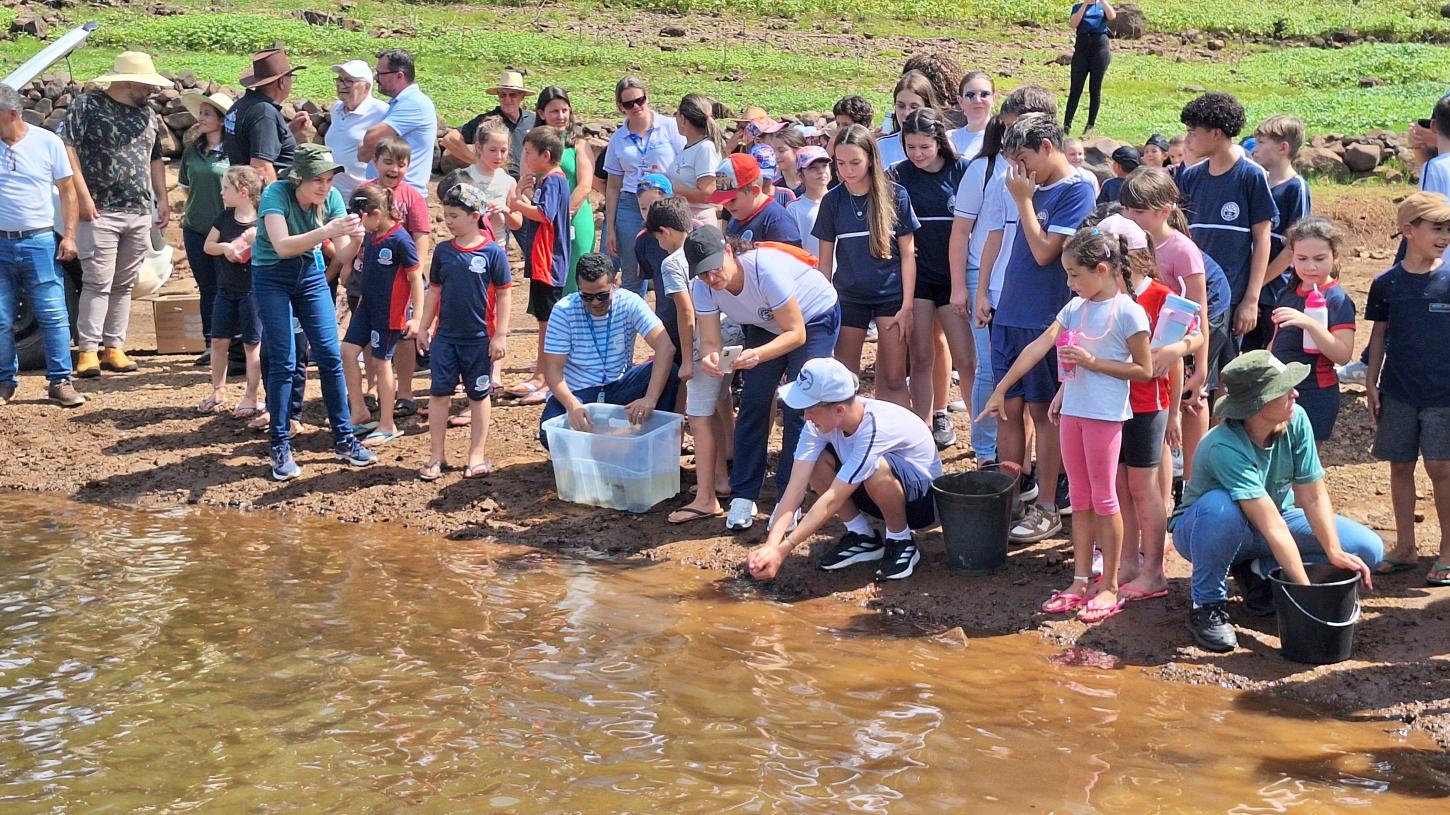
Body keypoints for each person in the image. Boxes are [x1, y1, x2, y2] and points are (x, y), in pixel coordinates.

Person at [981, 226, 1152, 621]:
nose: (1070, 283)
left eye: (1075, 274)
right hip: (1073, 412)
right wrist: (1001, 388)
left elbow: (1143, 370)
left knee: (1104, 497)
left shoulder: (1128, 311)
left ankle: (1108, 584)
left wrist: (1093, 364)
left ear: (1103, 270)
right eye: (1068, 274)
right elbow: (1039, 346)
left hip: (1105, 416)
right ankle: (1079, 579)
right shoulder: (1074, 308)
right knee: (1079, 498)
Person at [1170, 350, 1381, 652]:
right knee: (1222, 508)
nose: (1295, 392)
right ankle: (1206, 605)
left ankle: (1259, 570)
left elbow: (1312, 494)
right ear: (1257, 404)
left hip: (1276, 520)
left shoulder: (1297, 419)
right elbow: (1270, 525)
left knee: (1367, 549)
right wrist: (1306, 595)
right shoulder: (1222, 445)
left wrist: (1334, 551)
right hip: (1213, 528)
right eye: (1284, 389)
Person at [685, 227, 841, 532]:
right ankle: (743, 493)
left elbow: (797, 333)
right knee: (754, 400)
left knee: (799, 404)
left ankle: (789, 498)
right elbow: (710, 340)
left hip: (814, 317)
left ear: (728, 252)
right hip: (764, 322)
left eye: (715, 270)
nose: (711, 279)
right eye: (703, 274)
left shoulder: (764, 269)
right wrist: (710, 358)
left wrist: (757, 356)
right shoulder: (702, 288)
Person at [991, 112, 1097, 542]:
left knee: (1045, 412)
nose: (1018, 169)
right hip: (1011, 312)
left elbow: (1043, 254)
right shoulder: (1029, 186)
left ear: (1047, 148)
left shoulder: (1076, 190)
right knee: (1007, 409)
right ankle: (1010, 500)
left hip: (1048, 318)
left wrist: (1023, 201)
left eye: (1023, 157)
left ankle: (1049, 506)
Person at [746, 357, 942, 582]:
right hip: (875, 493)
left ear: (839, 409)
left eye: (810, 409)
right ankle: (862, 536)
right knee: (816, 461)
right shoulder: (817, 425)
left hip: (923, 504)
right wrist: (771, 545)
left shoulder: (875, 427)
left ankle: (901, 540)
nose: (805, 416)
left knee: (875, 468)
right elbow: (795, 488)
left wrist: (784, 550)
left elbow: (833, 498)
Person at [250, 143, 376, 480]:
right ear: (298, 179)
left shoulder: (331, 199)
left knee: (330, 355)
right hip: (271, 276)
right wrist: (328, 232)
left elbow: (343, 254)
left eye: (329, 180)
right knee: (284, 358)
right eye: (316, 179)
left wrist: (357, 238)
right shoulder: (275, 194)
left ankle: (344, 438)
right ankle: (279, 443)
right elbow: (282, 246)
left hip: (310, 277)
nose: (324, 186)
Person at [1092, 211, 1199, 602]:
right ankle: (1128, 563)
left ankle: (1153, 569)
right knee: (1119, 486)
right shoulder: (1097, 295)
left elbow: (1194, 337)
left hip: (1144, 404)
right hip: (1106, 404)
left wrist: (1176, 351)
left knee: (1142, 487)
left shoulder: (1161, 296)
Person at [1119, 166, 1232, 495]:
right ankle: (1163, 490)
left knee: (1190, 402)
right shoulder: (1131, 243)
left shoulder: (1181, 249)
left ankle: (1194, 484)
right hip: (1149, 344)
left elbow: (1200, 308)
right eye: (1126, 208)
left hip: (1178, 343)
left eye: (1137, 211)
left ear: (1164, 211)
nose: (1129, 215)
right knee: (1160, 420)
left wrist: (1201, 367)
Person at [61, 51, 170, 380]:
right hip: (100, 210)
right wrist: (82, 195)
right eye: (146, 85)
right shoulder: (87, 106)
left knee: (124, 283)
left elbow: (156, 157)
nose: (151, 91)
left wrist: (162, 197)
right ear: (127, 82)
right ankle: (88, 350)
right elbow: (67, 148)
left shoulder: (148, 114)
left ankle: (114, 347)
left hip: (138, 210)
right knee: (97, 281)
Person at [1365, 192, 1450, 582]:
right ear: (1408, 231)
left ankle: (1447, 552)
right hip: (1398, 390)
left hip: (1442, 395)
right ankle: (1405, 547)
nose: (1445, 236)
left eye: (1448, 229)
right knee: (1400, 465)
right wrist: (1371, 383)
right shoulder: (1386, 284)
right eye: (1437, 228)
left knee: (1440, 468)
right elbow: (1379, 337)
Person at [647, 198, 740, 525]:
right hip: (734, 333)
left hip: (707, 340)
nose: (659, 245)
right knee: (719, 400)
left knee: (698, 414)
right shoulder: (711, 238)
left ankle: (711, 493)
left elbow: (686, 312)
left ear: (666, 231)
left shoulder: (673, 262)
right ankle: (726, 468)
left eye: (658, 238)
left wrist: (688, 360)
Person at [816, 124, 919, 408]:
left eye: (855, 162)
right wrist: (824, 305)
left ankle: (898, 443)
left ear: (871, 159)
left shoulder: (895, 196)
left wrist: (907, 305)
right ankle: (850, 442)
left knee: (895, 377)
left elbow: (908, 255)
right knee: (847, 378)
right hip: (849, 297)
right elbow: (825, 262)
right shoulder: (832, 201)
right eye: (841, 163)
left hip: (891, 297)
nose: (848, 170)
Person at [415, 183, 512, 481]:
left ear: (474, 216)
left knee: (479, 395)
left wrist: (501, 335)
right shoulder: (443, 252)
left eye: (455, 215)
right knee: (439, 394)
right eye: (446, 214)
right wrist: (423, 327)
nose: (448, 220)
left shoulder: (494, 253)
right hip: (445, 338)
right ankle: (436, 455)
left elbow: (505, 295)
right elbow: (434, 292)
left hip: (480, 340)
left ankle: (476, 455)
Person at [538, 252, 678, 448]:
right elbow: (552, 371)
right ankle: (607, 446)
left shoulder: (630, 302)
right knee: (548, 433)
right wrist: (572, 405)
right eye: (587, 296)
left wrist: (650, 398)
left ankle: (653, 444)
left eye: (602, 295)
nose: (595, 302)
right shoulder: (564, 310)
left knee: (670, 371)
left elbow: (665, 346)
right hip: (579, 392)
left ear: (615, 283)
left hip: (618, 386)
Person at [0, 83, 84, 408]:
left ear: (13, 114)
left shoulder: (47, 142)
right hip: (1, 242)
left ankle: (61, 381)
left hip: (38, 240)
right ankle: (5, 382)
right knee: (1, 318)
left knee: (53, 314)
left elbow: (68, 191)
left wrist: (71, 235)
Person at [894, 108, 972, 446]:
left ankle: (981, 431)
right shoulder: (899, 175)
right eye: (911, 147)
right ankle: (923, 428)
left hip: (954, 275)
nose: (918, 154)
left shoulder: (962, 170)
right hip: (919, 274)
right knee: (921, 354)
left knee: (965, 358)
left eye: (924, 146)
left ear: (939, 141)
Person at [1177, 92, 1278, 344]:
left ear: (1216, 134)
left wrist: (1250, 300)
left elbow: (1262, 240)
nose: (1187, 140)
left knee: (1224, 373)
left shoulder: (1251, 176)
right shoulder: (1190, 177)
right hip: (1193, 293)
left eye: (1193, 132)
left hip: (1232, 296)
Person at [340, 184, 422, 448]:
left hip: (390, 313)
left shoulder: (400, 240)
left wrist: (417, 317)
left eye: (361, 217)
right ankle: (360, 410)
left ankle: (387, 424)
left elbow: (416, 279)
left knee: (381, 362)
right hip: (367, 308)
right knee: (348, 351)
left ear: (375, 213)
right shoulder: (370, 237)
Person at [950, 116, 1008, 465]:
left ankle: (1013, 446)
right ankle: (986, 450)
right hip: (979, 272)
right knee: (987, 365)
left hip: (1016, 276)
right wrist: (960, 286)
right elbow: (961, 231)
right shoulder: (982, 169)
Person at [1267, 218, 1354, 444]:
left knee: (1305, 466)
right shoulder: (1288, 292)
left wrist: (1310, 322)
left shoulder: (1337, 299)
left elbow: (1343, 354)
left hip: (1316, 391)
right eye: (1302, 259)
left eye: (1319, 259)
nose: (1310, 267)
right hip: (1281, 389)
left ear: (1335, 257)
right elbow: (1276, 341)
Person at [504, 126, 572, 403]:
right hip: (544, 259)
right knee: (544, 321)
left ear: (546, 155)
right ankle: (540, 374)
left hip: (550, 261)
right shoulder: (548, 180)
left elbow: (544, 214)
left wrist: (516, 205)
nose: (525, 157)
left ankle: (547, 379)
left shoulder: (554, 180)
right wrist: (521, 193)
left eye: (529, 153)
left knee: (548, 324)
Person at [603, 77, 685, 296]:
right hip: (630, 202)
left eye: (640, 100)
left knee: (669, 263)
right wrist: (610, 227)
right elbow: (612, 186)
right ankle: (632, 325)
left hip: (665, 200)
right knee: (632, 270)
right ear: (620, 107)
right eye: (629, 104)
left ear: (647, 97)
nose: (636, 107)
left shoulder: (669, 127)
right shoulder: (618, 139)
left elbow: (686, 162)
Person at [198, 166, 262, 419]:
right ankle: (218, 391)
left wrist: (253, 244)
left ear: (243, 192)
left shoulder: (262, 222)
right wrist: (225, 247)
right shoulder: (225, 218)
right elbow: (208, 246)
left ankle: (251, 395)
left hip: (252, 292)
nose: (221, 192)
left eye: (225, 187)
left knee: (251, 344)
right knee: (218, 341)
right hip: (226, 290)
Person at [1248, 114, 1312, 353]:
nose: (1256, 148)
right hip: (1253, 286)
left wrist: (1257, 284)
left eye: (1262, 142)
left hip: (1277, 289)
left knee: (1275, 351)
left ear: (1283, 148)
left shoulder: (1296, 188)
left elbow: (1294, 247)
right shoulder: (1258, 182)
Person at [177, 90, 233, 366]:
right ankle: (211, 342)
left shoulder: (234, 152)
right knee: (207, 286)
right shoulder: (192, 151)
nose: (201, 118)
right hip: (196, 227)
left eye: (207, 114)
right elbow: (187, 188)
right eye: (201, 113)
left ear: (222, 120)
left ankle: (231, 343)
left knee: (229, 285)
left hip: (228, 229)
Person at [534, 87, 594, 294]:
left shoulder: (579, 145)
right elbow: (527, 182)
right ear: (541, 114)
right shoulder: (533, 145)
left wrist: (563, 214)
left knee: (577, 271)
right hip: (545, 219)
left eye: (564, 110)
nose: (560, 116)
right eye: (554, 111)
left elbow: (585, 185)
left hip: (575, 217)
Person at [359, 49, 437, 198]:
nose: (376, 78)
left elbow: (370, 139)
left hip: (404, 197)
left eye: (381, 73)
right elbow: (363, 153)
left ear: (399, 76)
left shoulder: (414, 104)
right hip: (391, 194)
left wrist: (367, 145)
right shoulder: (400, 103)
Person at [224, 48, 305, 184]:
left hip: (241, 193)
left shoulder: (241, 106)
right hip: (261, 198)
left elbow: (252, 143)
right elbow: (261, 168)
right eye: (290, 77)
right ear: (281, 82)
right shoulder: (264, 113)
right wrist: (273, 203)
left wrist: (288, 130)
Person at [443, 71, 536, 180]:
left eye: (512, 95)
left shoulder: (532, 119)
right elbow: (449, 139)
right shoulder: (488, 121)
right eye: (502, 95)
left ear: (522, 96)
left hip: (528, 183)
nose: (507, 99)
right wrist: (477, 161)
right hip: (497, 183)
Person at [324, 60, 388, 200]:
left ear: (366, 87)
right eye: (340, 79)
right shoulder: (337, 108)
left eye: (348, 81)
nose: (341, 85)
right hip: (330, 195)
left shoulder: (381, 112)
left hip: (361, 197)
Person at [712, 153, 801, 245]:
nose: (727, 205)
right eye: (723, 200)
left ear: (754, 191)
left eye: (733, 200)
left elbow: (791, 257)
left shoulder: (778, 222)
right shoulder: (737, 216)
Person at [666, 93, 723, 229]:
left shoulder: (706, 148)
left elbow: (707, 193)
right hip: (685, 218)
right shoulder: (690, 147)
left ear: (683, 119)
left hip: (698, 221)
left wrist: (671, 189)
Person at [464, 118, 523, 244]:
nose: (499, 156)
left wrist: (506, 211)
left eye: (503, 150)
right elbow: (454, 217)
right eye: (492, 150)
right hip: (470, 246)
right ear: (479, 148)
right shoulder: (465, 177)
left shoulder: (508, 181)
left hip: (498, 247)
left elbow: (517, 223)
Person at [1064, 0, 1116, 135]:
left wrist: (1102, 2)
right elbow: (1073, 23)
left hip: (1099, 47)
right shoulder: (1078, 6)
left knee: (1095, 87)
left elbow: (1112, 16)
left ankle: (1090, 125)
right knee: (1076, 87)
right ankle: (1067, 124)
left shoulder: (1103, 6)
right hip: (1082, 48)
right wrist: (1085, 5)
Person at [875, 71, 940, 170]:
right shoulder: (880, 146)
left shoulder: (945, 144)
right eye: (901, 106)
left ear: (927, 107)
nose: (906, 113)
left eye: (914, 107)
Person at [787, 146, 831, 257]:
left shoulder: (841, 201)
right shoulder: (794, 208)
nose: (821, 171)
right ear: (800, 176)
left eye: (824, 166)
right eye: (812, 168)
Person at [949, 71, 994, 159]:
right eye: (970, 95)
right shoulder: (950, 138)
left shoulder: (1004, 137)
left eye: (984, 94)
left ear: (994, 99)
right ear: (960, 101)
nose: (977, 100)